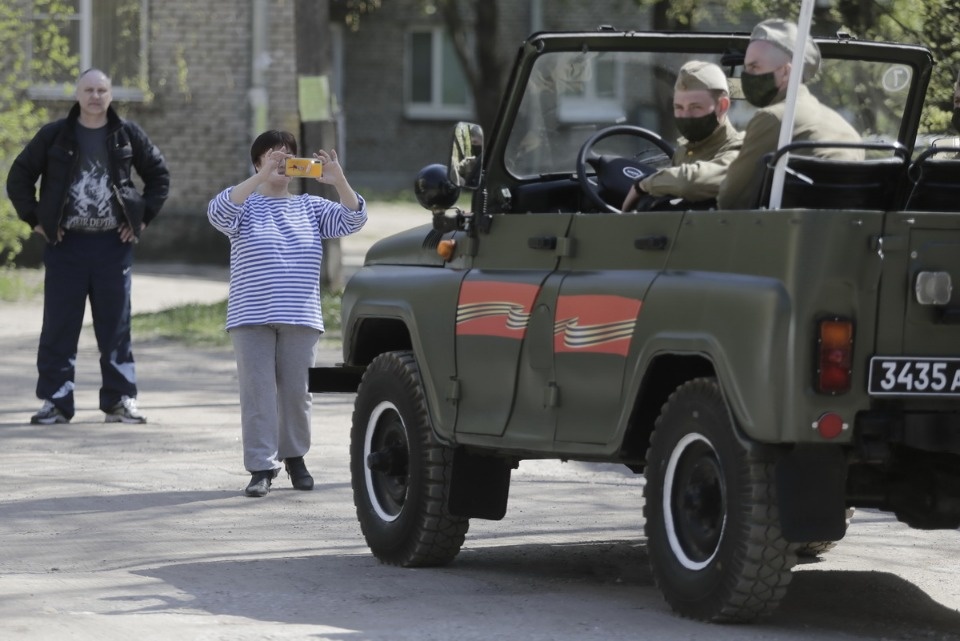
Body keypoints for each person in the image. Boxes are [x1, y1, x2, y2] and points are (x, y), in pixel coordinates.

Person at [207, 130, 367, 498]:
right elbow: (218, 212)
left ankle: (295, 457)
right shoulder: (244, 205)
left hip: (301, 315)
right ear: (257, 162)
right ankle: (262, 467)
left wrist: (338, 180)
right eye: (271, 156)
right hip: (251, 316)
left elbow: (353, 220)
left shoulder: (310, 207)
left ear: (299, 165)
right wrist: (260, 179)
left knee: (297, 393)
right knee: (258, 392)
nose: (280, 162)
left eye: (288, 156)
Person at [6, 68, 170, 426]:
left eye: (102, 90)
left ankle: (119, 400)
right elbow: (19, 177)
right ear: (77, 95)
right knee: (59, 327)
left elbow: (159, 176)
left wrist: (140, 221)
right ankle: (55, 401)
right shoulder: (55, 136)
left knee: (116, 326)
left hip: (113, 246)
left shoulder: (127, 134)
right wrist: (37, 221)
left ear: (110, 95)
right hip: (66, 246)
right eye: (88, 90)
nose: (95, 96)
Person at [716, 19, 864, 210]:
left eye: (754, 67)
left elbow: (731, 200)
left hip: (785, 236)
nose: (747, 76)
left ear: (786, 72)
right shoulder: (846, 129)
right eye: (745, 68)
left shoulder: (773, 118)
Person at [622, 60, 744, 211]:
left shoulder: (741, 148)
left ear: (722, 106)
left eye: (696, 107)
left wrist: (644, 185)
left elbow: (690, 183)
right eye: (679, 107)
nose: (685, 115)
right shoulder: (684, 150)